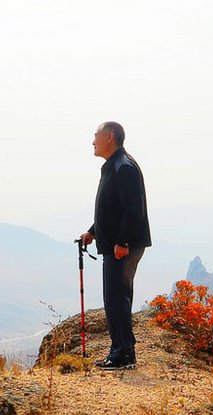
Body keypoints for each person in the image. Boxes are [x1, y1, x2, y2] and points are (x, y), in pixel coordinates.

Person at [80, 121, 151, 370]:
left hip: (123, 246)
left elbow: (134, 210)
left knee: (116, 298)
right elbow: (112, 209)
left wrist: (122, 242)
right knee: (115, 297)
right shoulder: (114, 166)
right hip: (116, 244)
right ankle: (120, 350)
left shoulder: (124, 167)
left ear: (109, 137)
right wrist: (93, 231)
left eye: (95, 136)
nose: (92, 141)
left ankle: (123, 354)